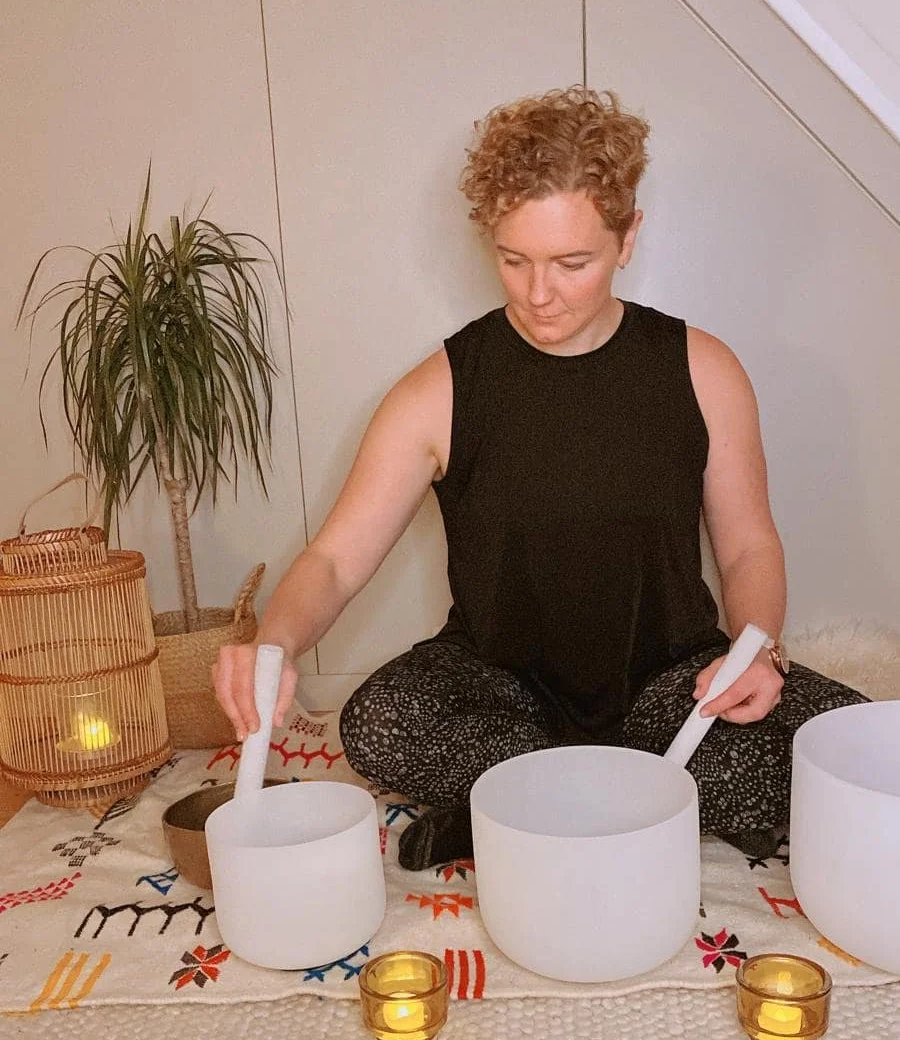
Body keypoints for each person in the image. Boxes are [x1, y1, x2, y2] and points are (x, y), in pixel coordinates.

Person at [213, 86, 865, 869]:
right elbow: (332, 561)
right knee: (381, 721)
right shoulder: (440, 390)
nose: (538, 293)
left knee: (838, 739)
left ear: (629, 241)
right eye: (513, 260)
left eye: (572, 262)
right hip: (501, 689)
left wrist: (757, 651)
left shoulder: (704, 371)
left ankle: (510, 808)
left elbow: (749, 548)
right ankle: (608, 798)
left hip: (671, 688)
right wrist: (272, 643)